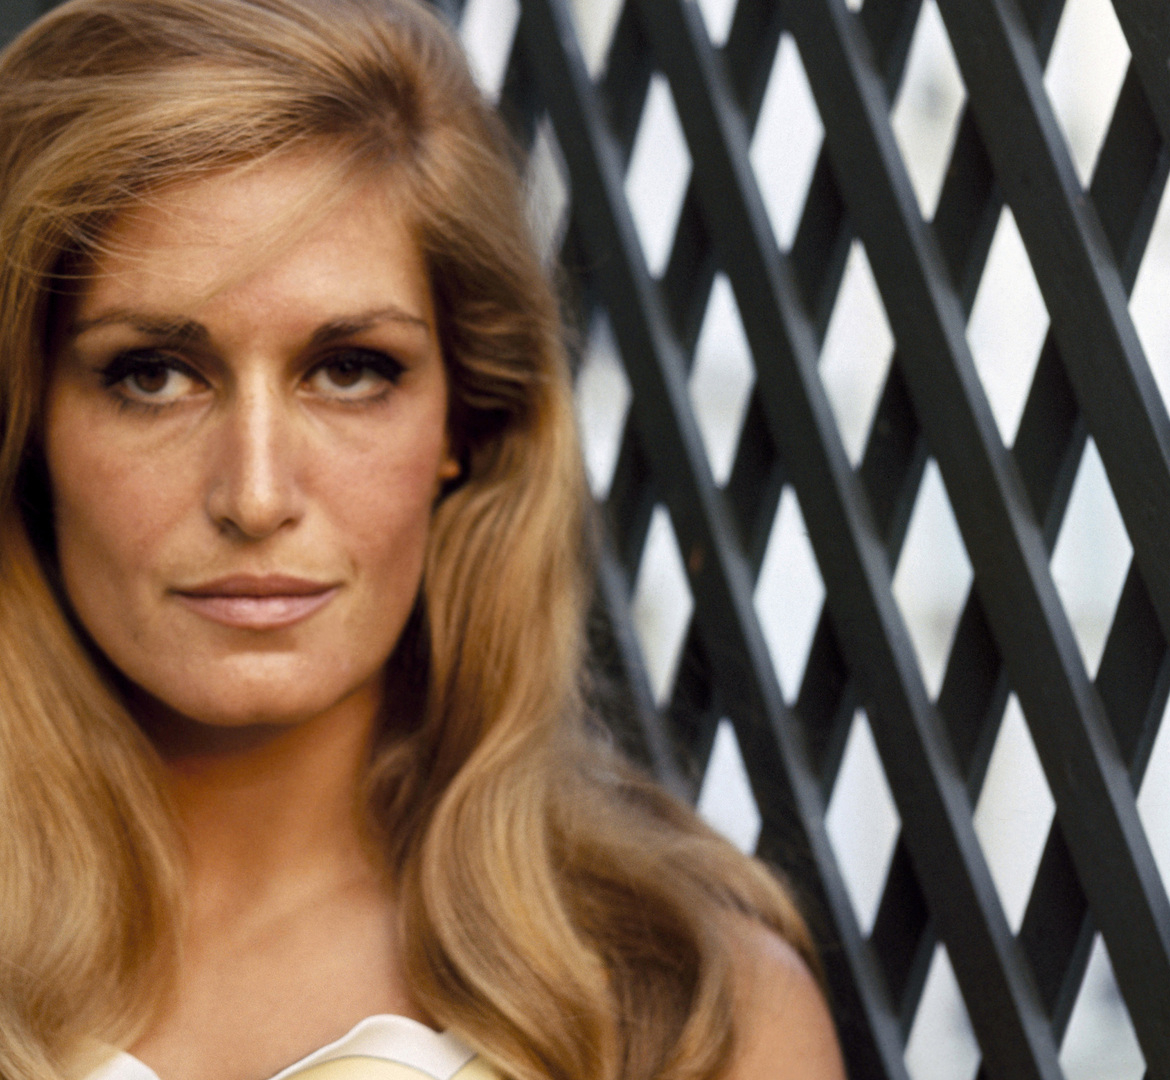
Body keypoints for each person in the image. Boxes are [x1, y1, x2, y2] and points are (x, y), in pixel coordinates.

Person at [0, 1, 845, 1078]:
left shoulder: (689, 1014)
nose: (254, 496)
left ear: (465, 423)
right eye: (153, 375)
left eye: (349, 370)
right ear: (29, 424)